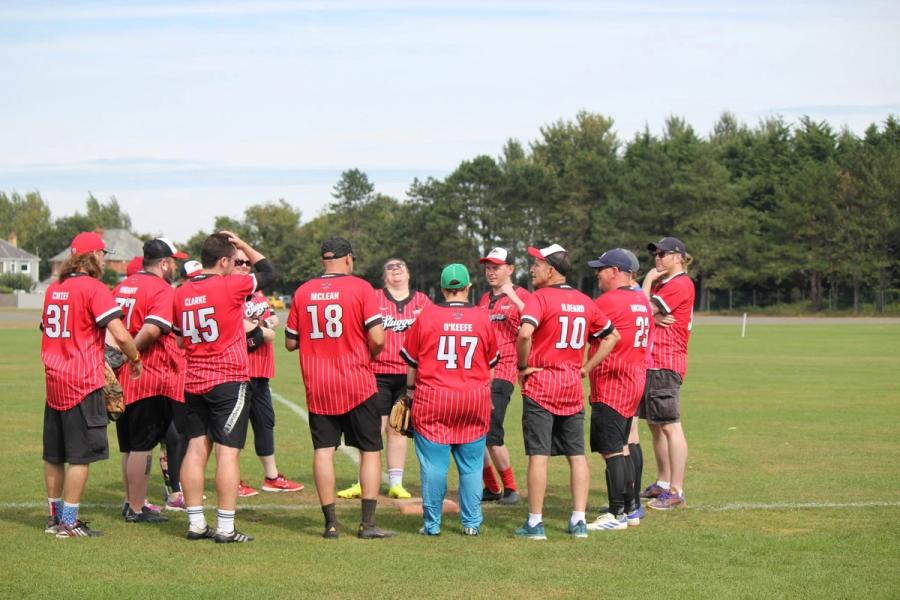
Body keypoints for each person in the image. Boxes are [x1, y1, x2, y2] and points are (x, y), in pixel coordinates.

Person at [285, 237, 394, 539]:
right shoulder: (361, 288)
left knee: (323, 450)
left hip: (319, 383)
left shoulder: (303, 291)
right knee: (370, 450)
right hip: (357, 381)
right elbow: (379, 338)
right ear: (349, 259)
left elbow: (290, 342)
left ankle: (330, 523)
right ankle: (368, 524)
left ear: (323, 260)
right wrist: (367, 354)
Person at [172, 231, 276, 543]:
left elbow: (178, 338)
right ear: (222, 260)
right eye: (232, 261)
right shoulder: (231, 284)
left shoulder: (181, 292)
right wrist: (243, 243)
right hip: (228, 379)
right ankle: (226, 528)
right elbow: (270, 272)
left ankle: (195, 523)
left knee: (195, 448)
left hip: (193, 379)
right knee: (228, 454)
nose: (236, 266)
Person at [41, 231, 142, 538]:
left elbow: (47, 329)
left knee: (54, 454)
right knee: (80, 456)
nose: (104, 259)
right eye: (102, 254)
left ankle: (54, 517)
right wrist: (135, 358)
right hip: (82, 381)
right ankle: (69, 523)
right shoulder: (94, 288)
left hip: (54, 379)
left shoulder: (53, 288)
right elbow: (121, 335)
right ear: (93, 257)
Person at [514, 243, 615, 540]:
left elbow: (524, 333)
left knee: (538, 456)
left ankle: (535, 523)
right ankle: (579, 520)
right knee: (577, 454)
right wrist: (586, 367)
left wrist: (522, 366)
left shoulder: (540, 298)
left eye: (537, 264)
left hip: (542, 383)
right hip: (571, 385)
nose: (532, 269)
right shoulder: (584, 300)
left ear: (551, 269)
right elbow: (611, 336)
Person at [400, 263, 499, 536]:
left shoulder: (427, 315)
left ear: (443, 289)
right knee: (471, 466)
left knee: (434, 465)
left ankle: (432, 525)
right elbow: (492, 363)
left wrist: (409, 392)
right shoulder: (482, 317)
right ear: (468, 287)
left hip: (434, 397)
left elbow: (412, 362)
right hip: (473, 398)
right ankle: (471, 523)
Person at [338, 257, 430, 501]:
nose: (396, 270)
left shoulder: (422, 301)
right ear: (384, 276)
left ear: (409, 274)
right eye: (390, 267)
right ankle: (362, 481)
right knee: (372, 428)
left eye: (400, 266)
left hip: (409, 374)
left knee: (398, 428)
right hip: (377, 372)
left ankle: (396, 483)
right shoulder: (374, 297)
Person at [112, 237, 188, 524]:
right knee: (142, 445)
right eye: (174, 261)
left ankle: (132, 500)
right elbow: (153, 329)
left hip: (123, 377)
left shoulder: (123, 285)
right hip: (147, 375)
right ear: (165, 263)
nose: (175, 267)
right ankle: (136, 506)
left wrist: (117, 355)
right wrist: (130, 353)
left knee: (129, 445)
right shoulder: (161, 289)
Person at [582, 249, 651, 531]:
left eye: (601, 269)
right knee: (626, 442)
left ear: (615, 271)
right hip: (634, 378)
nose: (597, 274)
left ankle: (616, 514)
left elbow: (583, 332)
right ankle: (632, 507)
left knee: (612, 450)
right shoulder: (640, 300)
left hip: (612, 380)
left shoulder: (609, 301)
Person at [232, 247, 303, 496]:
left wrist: (259, 326)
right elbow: (241, 331)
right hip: (238, 372)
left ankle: (271, 477)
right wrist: (261, 327)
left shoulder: (256, 292)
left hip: (261, 371)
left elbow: (272, 321)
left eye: (246, 262)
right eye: (238, 261)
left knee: (265, 423)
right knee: (235, 429)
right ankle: (234, 480)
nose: (243, 265)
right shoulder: (229, 292)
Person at [639, 237, 695, 510]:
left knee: (670, 425)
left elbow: (641, 309)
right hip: (652, 360)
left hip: (665, 360)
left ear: (679, 257)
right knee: (655, 424)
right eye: (656, 254)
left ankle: (676, 489)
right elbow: (646, 313)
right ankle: (662, 482)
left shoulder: (679, 283)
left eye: (663, 254)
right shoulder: (666, 284)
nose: (657, 258)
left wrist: (647, 282)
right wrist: (654, 316)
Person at [476, 247, 528, 505]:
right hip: (481, 372)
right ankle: (491, 487)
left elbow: (534, 323)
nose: (491, 271)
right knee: (476, 430)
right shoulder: (484, 299)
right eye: (488, 267)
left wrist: (514, 299)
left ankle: (511, 489)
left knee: (491, 429)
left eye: (496, 267)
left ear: (511, 269)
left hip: (505, 370)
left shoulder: (521, 295)